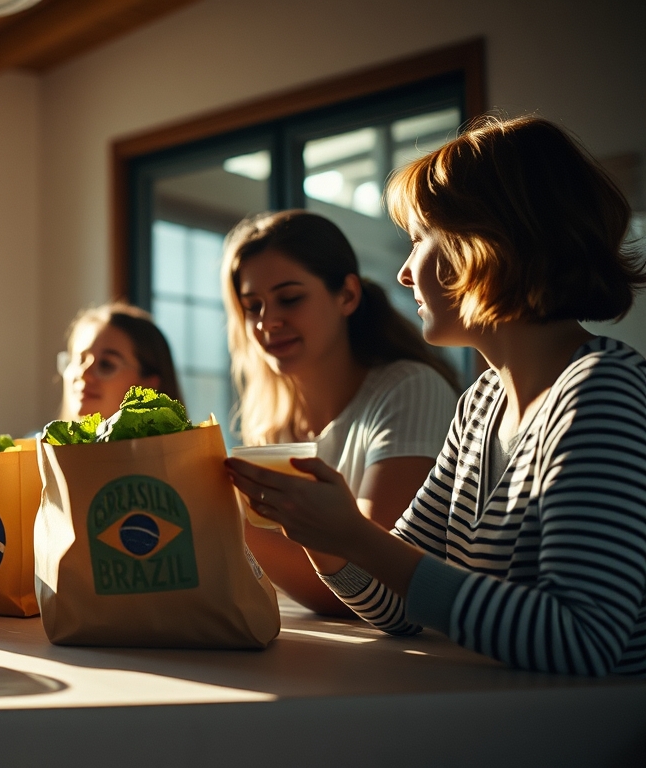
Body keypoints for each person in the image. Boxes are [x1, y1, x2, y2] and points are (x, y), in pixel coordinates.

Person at [227, 115, 646, 675]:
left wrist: (353, 532)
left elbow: (582, 640)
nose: (402, 274)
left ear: (489, 246)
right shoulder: (481, 404)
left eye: (421, 240)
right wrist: (325, 539)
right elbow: (396, 604)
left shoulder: (600, 392)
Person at [223, 210, 459, 616]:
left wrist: (223, 517)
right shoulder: (271, 421)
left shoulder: (409, 390)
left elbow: (372, 579)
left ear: (347, 295)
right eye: (252, 306)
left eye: (290, 298)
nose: (268, 322)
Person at [58, 302, 183, 421]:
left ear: (148, 386)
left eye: (106, 364)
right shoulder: (40, 442)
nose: (84, 375)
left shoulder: (187, 444)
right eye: (79, 360)